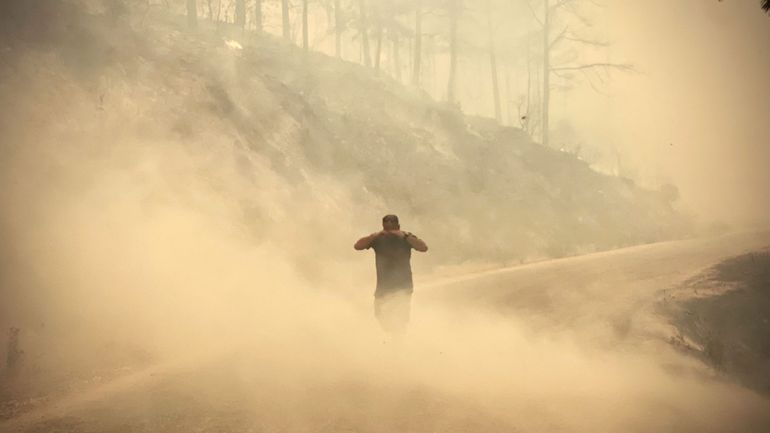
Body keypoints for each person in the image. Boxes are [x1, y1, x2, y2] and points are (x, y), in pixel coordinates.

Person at [354, 214, 428, 334]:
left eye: (392, 226)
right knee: (379, 314)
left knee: (400, 318)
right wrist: (376, 235)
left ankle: (398, 341)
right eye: (387, 227)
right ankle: (393, 335)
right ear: (383, 226)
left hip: (403, 286)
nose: (390, 231)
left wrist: (403, 235)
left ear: (398, 226)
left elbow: (423, 247)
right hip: (383, 287)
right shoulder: (378, 239)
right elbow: (357, 246)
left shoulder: (406, 238)